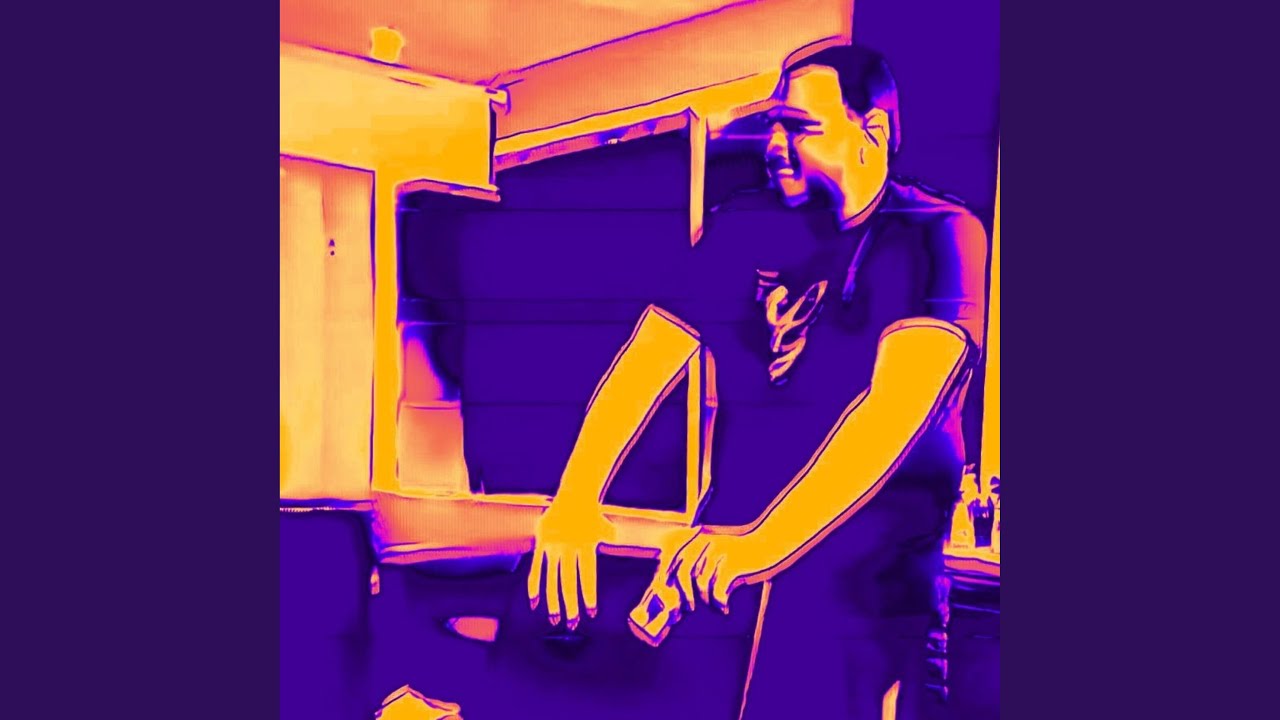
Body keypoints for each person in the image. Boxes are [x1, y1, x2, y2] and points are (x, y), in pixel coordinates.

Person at [528, 43, 989, 719]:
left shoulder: (937, 235)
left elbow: (890, 412)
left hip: (870, 603)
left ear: (872, 132)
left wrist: (763, 545)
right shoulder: (743, 227)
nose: (775, 146)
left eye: (799, 128)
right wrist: (574, 499)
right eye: (773, 126)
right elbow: (646, 362)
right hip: (722, 583)